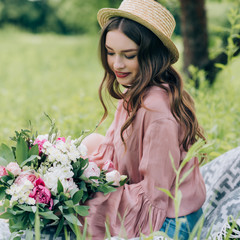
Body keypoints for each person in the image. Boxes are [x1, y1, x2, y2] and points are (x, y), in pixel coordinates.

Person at [80, 0, 206, 239]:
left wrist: (93, 205)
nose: (117, 64)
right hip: (149, 195)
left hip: (169, 220)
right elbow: (110, 147)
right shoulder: (135, 91)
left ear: (152, 56)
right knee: (91, 144)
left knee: (78, 211)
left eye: (128, 55)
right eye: (110, 52)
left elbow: (154, 198)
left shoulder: (157, 111)